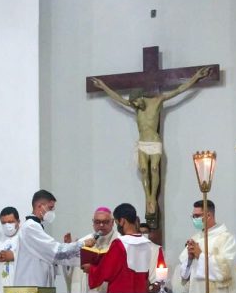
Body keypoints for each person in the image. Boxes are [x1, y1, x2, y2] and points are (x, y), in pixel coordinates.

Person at [90, 66, 211, 227]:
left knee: (154, 169)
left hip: (154, 142)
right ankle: (148, 197)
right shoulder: (136, 105)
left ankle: (153, 197)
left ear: (141, 97)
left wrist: (195, 77)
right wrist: (103, 86)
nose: (134, 106)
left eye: (136, 102)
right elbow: (119, 99)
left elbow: (179, 90)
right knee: (144, 170)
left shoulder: (157, 101)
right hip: (142, 143)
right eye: (133, 104)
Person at [14, 189, 94, 288]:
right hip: (31, 283)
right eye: (50, 208)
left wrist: (71, 247)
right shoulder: (30, 227)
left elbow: (52, 253)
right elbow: (55, 251)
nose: (52, 211)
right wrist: (82, 244)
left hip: (37, 284)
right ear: (40, 206)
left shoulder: (35, 226)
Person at [66, 207, 115, 293]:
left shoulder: (118, 242)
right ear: (93, 223)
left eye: (105, 222)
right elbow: (71, 269)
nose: (101, 225)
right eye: (97, 222)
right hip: (87, 290)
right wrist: (70, 250)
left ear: (112, 222)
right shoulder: (83, 241)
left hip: (108, 291)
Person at [139, 221, 166, 292]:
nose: (142, 235)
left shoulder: (157, 249)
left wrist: (155, 284)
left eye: (145, 233)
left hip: (153, 286)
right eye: (140, 233)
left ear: (150, 234)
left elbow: (161, 268)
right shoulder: (132, 248)